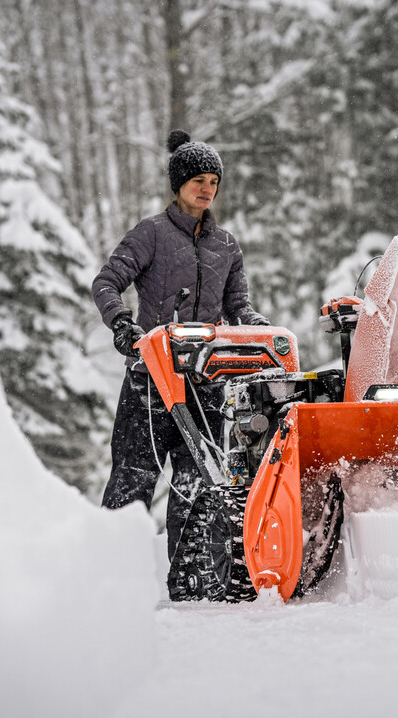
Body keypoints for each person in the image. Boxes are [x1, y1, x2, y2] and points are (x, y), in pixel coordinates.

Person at [92, 129, 268, 559]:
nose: (207, 190)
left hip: (206, 379)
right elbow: (107, 282)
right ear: (179, 185)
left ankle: (191, 580)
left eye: (213, 182)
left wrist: (255, 324)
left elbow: (237, 304)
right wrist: (122, 325)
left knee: (199, 480)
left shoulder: (226, 246)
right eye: (198, 182)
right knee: (134, 474)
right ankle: (112, 572)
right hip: (152, 376)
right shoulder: (151, 233)